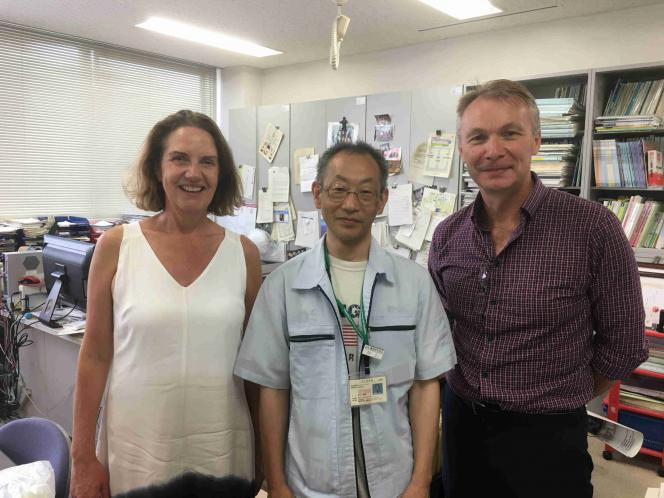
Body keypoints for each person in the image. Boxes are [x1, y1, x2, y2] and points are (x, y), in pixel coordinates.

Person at [428, 79, 649, 498]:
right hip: (462, 424)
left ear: (536, 140)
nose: (493, 150)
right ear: (462, 150)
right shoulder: (447, 235)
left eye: (509, 133)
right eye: (477, 137)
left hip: (547, 435)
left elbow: (624, 345)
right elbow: (439, 331)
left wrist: (562, 394)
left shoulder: (593, 228)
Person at [234, 141, 456, 498]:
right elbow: (272, 391)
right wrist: (276, 483)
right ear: (318, 194)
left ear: (382, 200)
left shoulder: (414, 283)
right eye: (339, 190)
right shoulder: (283, 287)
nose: (351, 204)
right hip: (311, 484)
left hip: (396, 485)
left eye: (365, 192)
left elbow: (425, 384)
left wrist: (419, 482)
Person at [70, 110, 263, 497]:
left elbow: (256, 366)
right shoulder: (117, 246)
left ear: (220, 174)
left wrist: (267, 455)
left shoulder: (243, 254)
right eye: (180, 159)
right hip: (137, 451)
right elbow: (94, 356)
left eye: (208, 162)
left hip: (222, 451)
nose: (194, 173)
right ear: (157, 169)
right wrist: (82, 457)